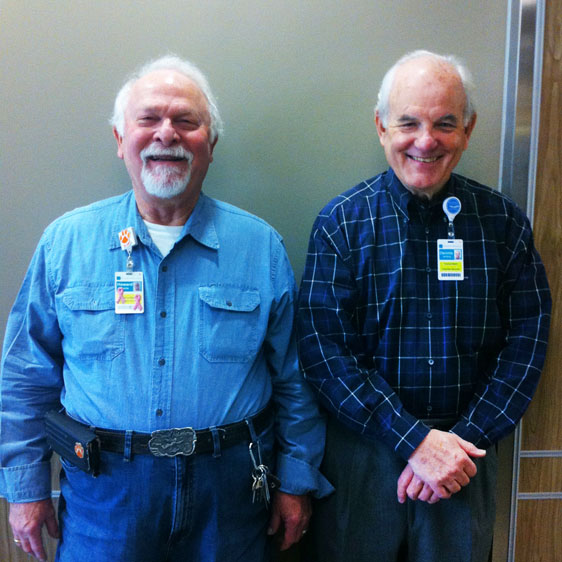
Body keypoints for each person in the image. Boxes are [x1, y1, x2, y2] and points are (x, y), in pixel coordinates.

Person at [0, 55, 332, 562]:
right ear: (119, 139)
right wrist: (24, 488)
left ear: (211, 144)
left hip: (231, 495)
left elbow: (295, 377)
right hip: (104, 495)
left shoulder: (259, 248)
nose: (166, 134)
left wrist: (296, 480)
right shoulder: (65, 244)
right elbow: (26, 376)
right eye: (148, 119)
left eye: (186, 121)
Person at [297, 50, 551, 562]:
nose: (425, 140)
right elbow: (325, 355)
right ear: (381, 127)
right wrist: (414, 440)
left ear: (469, 129)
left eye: (444, 124)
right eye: (408, 122)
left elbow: (527, 341)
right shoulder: (341, 224)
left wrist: (457, 444)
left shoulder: (504, 225)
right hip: (363, 460)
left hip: (466, 458)